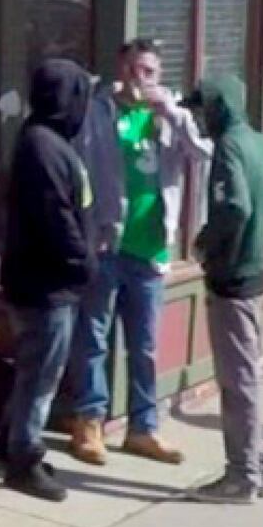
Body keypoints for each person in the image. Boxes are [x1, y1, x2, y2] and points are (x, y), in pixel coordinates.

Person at [70, 40, 210, 468]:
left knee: (145, 346)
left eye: (148, 72)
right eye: (133, 70)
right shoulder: (99, 112)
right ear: (121, 69)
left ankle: (143, 428)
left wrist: (173, 115)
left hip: (150, 249)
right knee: (94, 338)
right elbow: (76, 162)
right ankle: (89, 423)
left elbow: (203, 155)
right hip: (107, 244)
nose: (140, 80)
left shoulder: (169, 115)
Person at [185, 71, 263, 503]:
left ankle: (243, 475)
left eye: (202, 107)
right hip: (256, 275)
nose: (199, 117)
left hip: (233, 277)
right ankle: (255, 466)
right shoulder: (261, 143)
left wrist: (204, 243)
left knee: (238, 382)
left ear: (218, 107)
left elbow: (234, 205)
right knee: (247, 375)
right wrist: (262, 223)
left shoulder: (231, 146)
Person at [0, 60, 97, 501]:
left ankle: (9, 441)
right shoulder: (42, 147)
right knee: (42, 377)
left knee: (37, 369)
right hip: (44, 284)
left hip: (50, 280)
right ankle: (23, 459)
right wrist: (82, 262)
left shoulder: (50, 142)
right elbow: (56, 218)